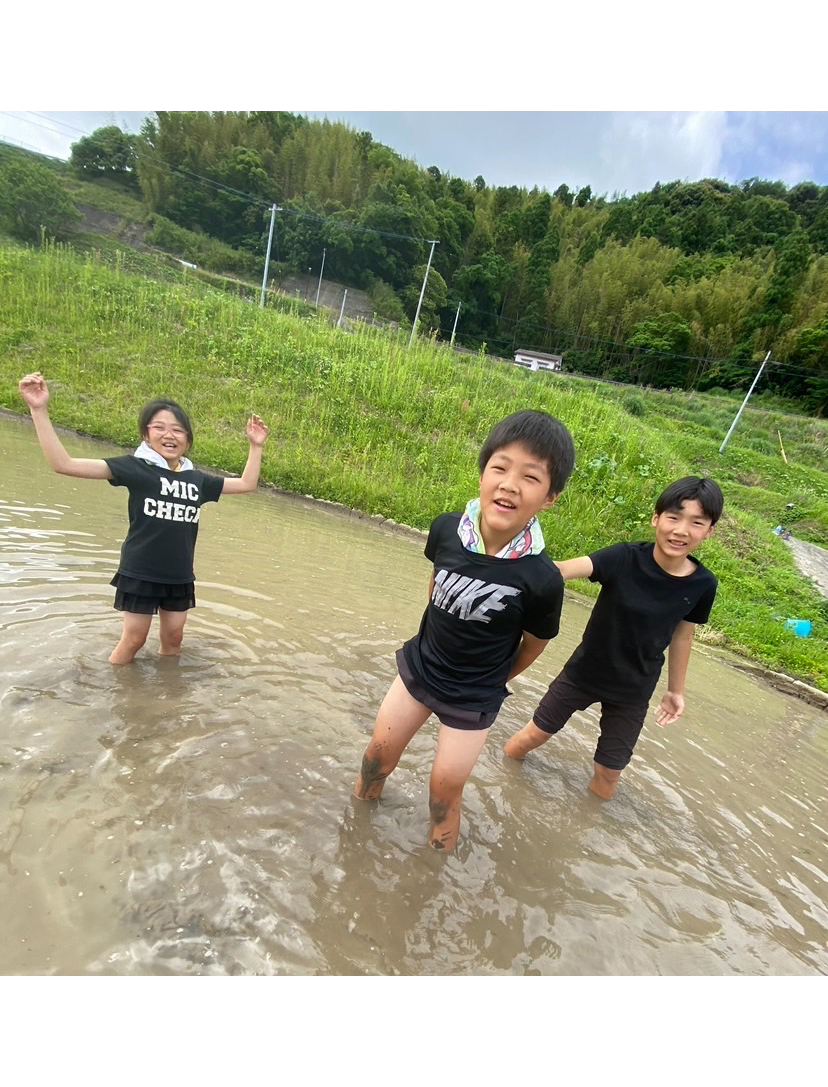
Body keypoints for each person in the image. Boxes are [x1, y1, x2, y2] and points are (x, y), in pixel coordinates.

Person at [353, 409, 576, 851]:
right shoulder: (447, 530)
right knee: (376, 757)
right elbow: (436, 583)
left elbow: (536, 643)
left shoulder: (541, 578)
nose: (510, 484)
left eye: (530, 477)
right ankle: (357, 822)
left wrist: (496, 680)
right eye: (500, 467)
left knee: (443, 790)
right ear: (482, 474)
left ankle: (436, 864)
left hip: (474, 695)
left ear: (550, 497)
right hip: (421, 667)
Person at [18, 371, 269, 664]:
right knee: (134, 639)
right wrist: (38, 409)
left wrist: (256, 446)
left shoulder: (196, 480)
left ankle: (166, 695)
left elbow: (247, 484)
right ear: (146, 433)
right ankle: (118, 695)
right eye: (159, 427)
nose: (169, 435)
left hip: (178, 574)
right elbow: (64, 464)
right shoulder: (136, 468)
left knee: (174, 639)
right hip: (140, 572)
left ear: (187, 439)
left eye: (177, 430)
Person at [504, 476, 723, 800]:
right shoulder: (625, 557)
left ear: (709, 530)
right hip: (582, 674)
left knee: (608, 774)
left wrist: (675, 691)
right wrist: (508, 563)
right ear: (656, 518)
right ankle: (502, 781)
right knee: (530, 738)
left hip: (633, 691)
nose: (681, 530)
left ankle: (588, 828)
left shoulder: (703, 584)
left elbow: (682, 636)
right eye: (674, 517)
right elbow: (563, 569)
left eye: (696, 522)